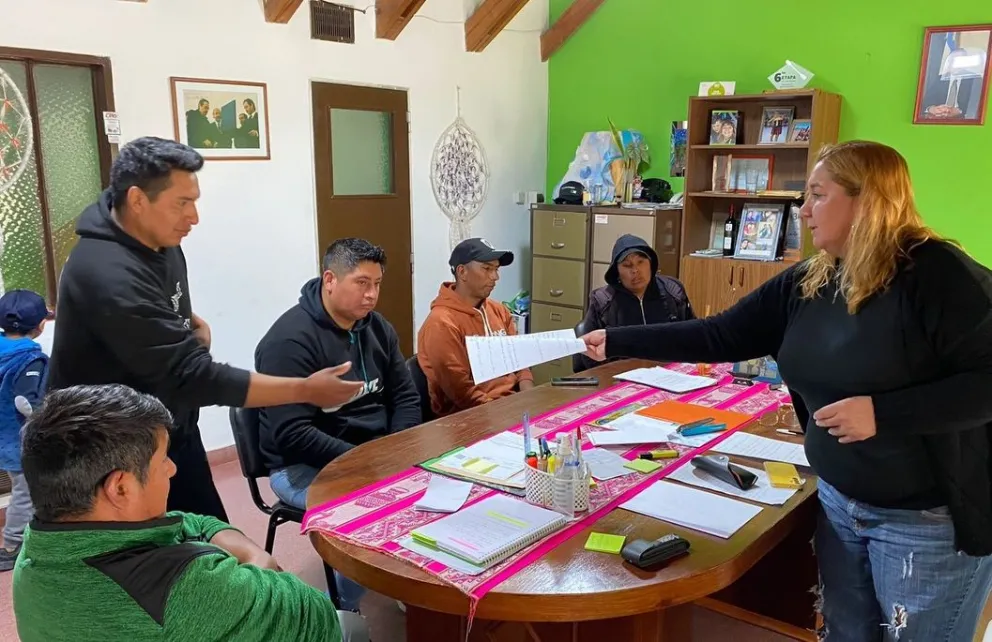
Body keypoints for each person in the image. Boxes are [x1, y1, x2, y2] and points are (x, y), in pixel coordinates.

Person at [581, 141, 992, 642]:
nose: (803, 210)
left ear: (867, 201)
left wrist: (885, 414)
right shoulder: (812, 279)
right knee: (846, 633)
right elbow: (720, 334)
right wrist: (620, 339)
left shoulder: (937, 274)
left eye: (818, 195)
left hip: (925, 521)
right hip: (840, 501)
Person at [48, 137, 364, 523]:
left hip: (170, 427)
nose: (194, 217)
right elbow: (193, 375)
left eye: (194, 201)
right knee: (151, 564)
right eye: (182, 203)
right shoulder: (103, 271)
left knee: (209, 537)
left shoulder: (159, 240)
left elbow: (163, 319)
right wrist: (303, 389)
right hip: (108, 452)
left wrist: (184, 331)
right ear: (137, 200)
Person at [12, 384, 369, 642]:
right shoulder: (184, 589)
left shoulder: (38, 548)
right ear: (120, 487)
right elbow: (313, 616)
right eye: (162, 459)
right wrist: (259, 570)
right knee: (351, 627)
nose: (172, 469)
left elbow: (191, 521)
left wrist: (251, 553)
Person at [256, 237, 420, 509]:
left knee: (433, 486)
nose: (372, 294)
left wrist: (395, 450)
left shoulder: (378, 328)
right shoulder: (288, 343)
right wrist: (363, 461)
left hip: (371, 453)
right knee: (384, 506)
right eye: (362, 283)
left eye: (377, 284)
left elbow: (406, 397)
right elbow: (292, 434)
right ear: (330, 280)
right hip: (304, 466)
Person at [417, 238, 533, 417]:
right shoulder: (441, 323)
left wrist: (528, 396)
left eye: (496, 269)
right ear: (462, 271)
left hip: (510, 406)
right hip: (468, 417)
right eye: (487, 269)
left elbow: (520, 360)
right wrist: (502, 412)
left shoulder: (499, 311)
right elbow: (461, 391)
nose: (495, 277)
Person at [573, 234, 693, 373]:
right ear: (616, 271)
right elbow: (589, 354)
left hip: (670, 374)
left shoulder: (673, 291)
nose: (635, 270)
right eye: (627, 265)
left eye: (641, 262)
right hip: (620, 378)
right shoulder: (603, 300)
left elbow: (691, 337)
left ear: (651, 263)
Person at [0, 290, 52, 572]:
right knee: (25, 492)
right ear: (41, 324)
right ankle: (12, 545)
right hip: (17, 440)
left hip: (0, 436)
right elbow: (25, 401)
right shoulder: (31, 359)